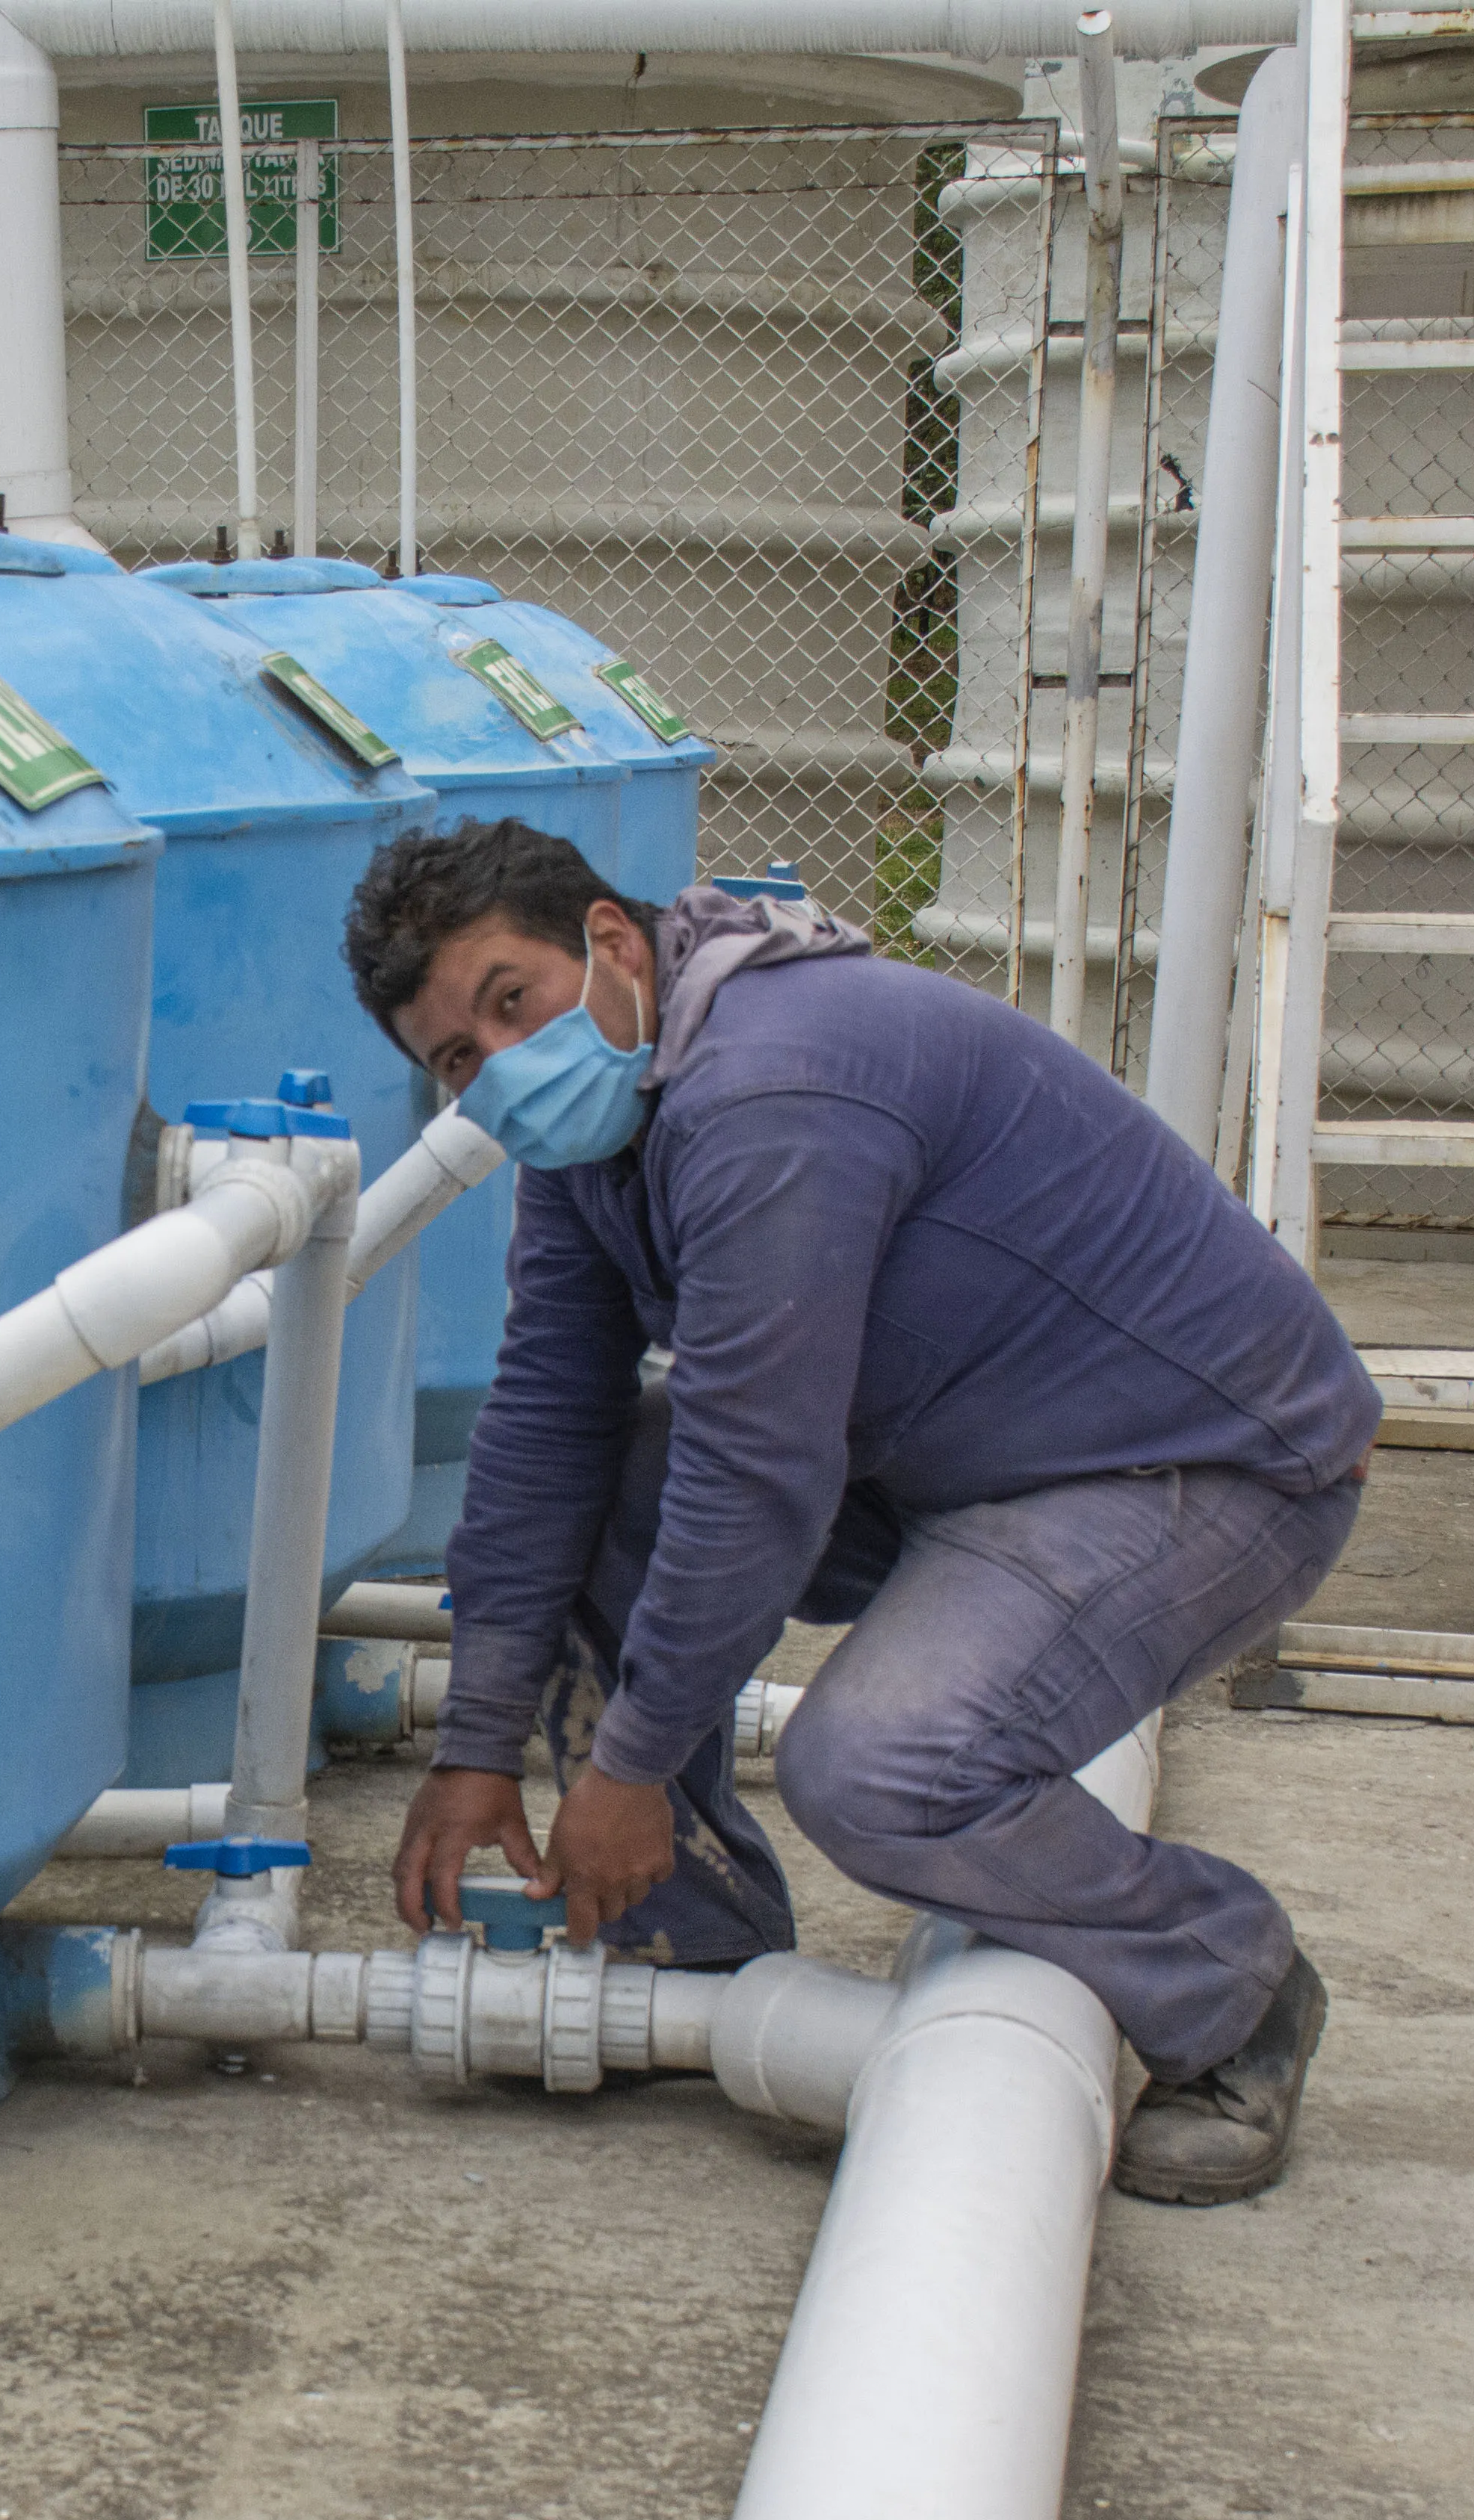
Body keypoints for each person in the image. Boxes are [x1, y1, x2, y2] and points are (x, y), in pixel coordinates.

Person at [352, 821, 1381, 2203]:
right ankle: (689, 1958)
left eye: (510, 1001)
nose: (501, 1064)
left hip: (1187, 1468)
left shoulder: (774, 1081)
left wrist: (629, 1767)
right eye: (457, 1058)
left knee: (884, 1769)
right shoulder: (604, 1128)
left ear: (609, 943)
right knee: (597, 1488)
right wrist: (475, 1742)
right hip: (947, 1457)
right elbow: (546, 1425)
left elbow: (755, 1467)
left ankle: (1228, 1983)